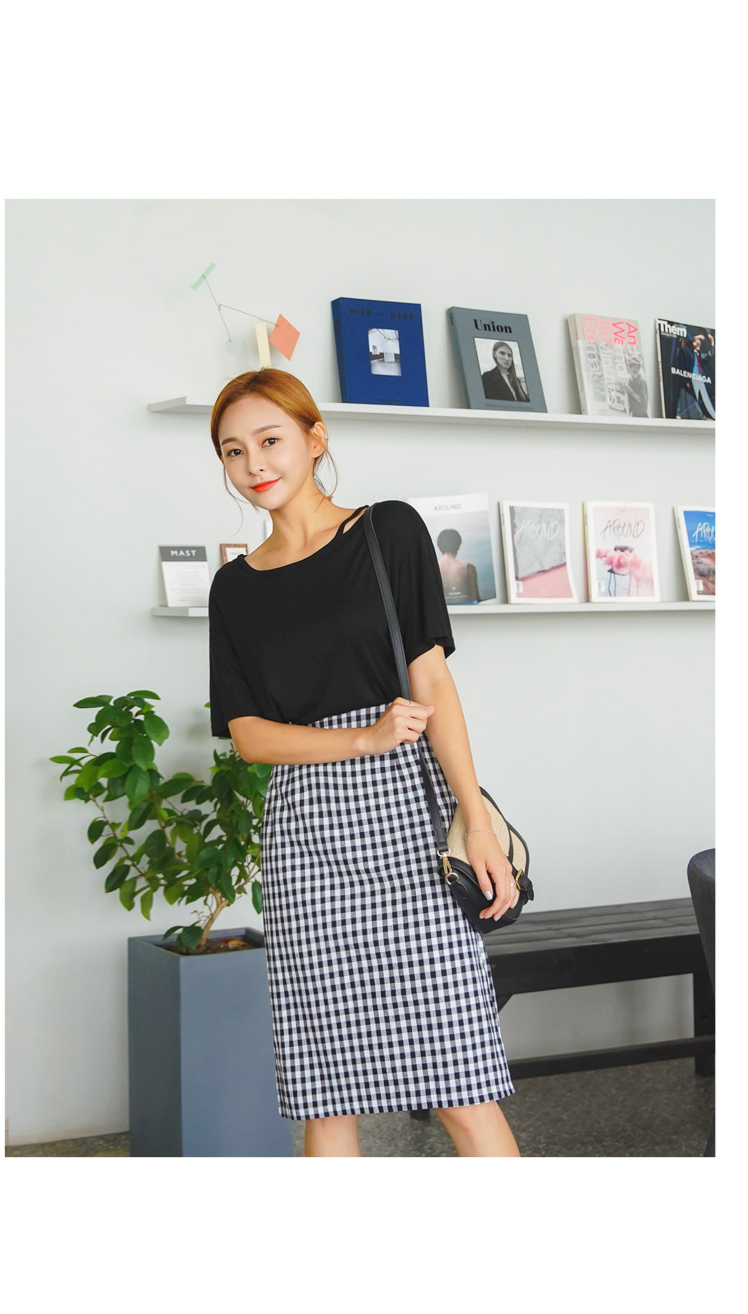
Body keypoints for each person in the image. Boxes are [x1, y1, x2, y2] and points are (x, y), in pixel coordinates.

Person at [208, 368, 521, 1158]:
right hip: (307, 840)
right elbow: (249, 735)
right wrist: (359, 739)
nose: (254, 464)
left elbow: (432, 684)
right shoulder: (234, 588)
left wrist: (476, 824)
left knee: (462, 1085)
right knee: (327, 1096)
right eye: (233, 451)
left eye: (270, 440)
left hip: (408, 822)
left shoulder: (388, 532)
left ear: (315, 439)